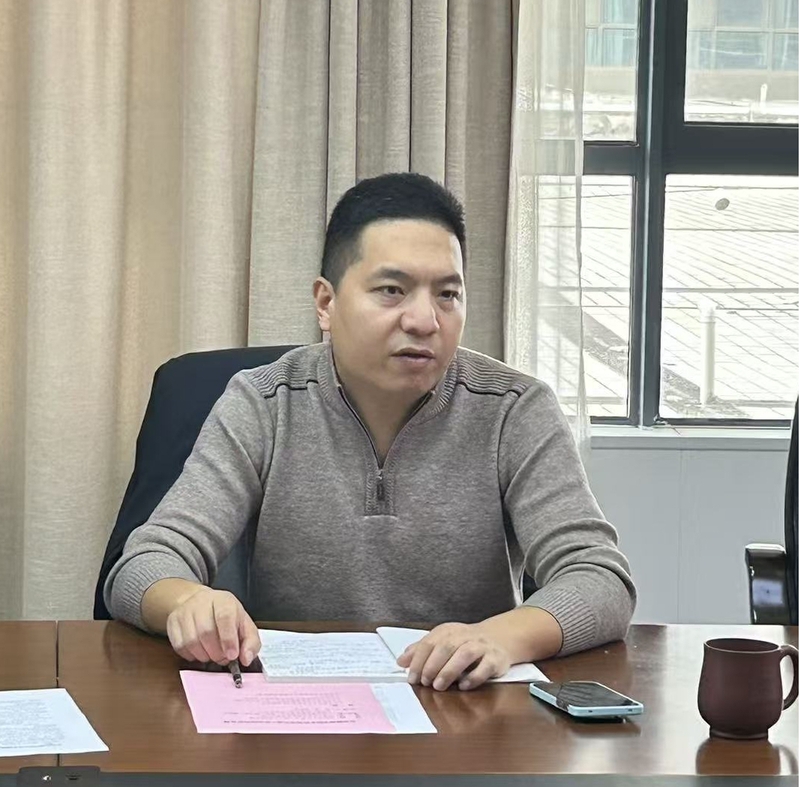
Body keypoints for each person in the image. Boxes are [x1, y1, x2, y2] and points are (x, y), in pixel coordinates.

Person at [105, 172, 635, 692]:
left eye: (448, 294)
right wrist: (189, 602)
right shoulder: (264, 403)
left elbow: (600, 579)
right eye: (391, 290)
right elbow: (143, 564)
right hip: (299, 710)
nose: (425, 320)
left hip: (461, 706)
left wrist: (499, 638)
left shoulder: (514, 410)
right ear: (326, 303)